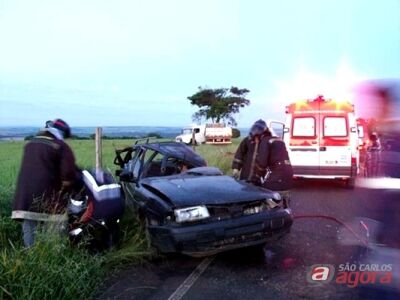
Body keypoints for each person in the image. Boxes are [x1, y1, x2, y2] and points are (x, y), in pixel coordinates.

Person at [11, 119, 78, 247]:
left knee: (30, 232)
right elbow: (68, 175)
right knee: (56, 231)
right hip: (50, 198)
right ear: (61, 133)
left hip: (25, 197)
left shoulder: (30, 144)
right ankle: (53, 257)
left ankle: (30, 260)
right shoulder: (60, 146)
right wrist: (67, 188)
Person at [232, 119, 293, 207]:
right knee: (245, 194)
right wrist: (236, 168)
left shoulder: (265, 141)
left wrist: (260, 175)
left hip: (260, 175)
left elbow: (264, 161)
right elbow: (240, 153)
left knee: (260, 196)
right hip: (247, 172)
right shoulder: (247, 140)